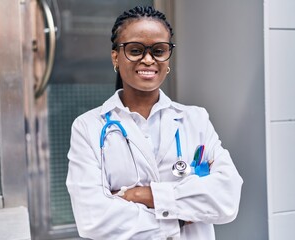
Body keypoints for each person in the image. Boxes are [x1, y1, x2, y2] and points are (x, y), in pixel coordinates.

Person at [66, 6, 243, 240]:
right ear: (115, 57)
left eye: (159, 50)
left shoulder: (195, 119)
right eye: (135, 50)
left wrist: (143, 195)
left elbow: (226, 199)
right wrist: (179, 219)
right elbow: (93, 219)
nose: (148, 59)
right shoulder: (88, 127)